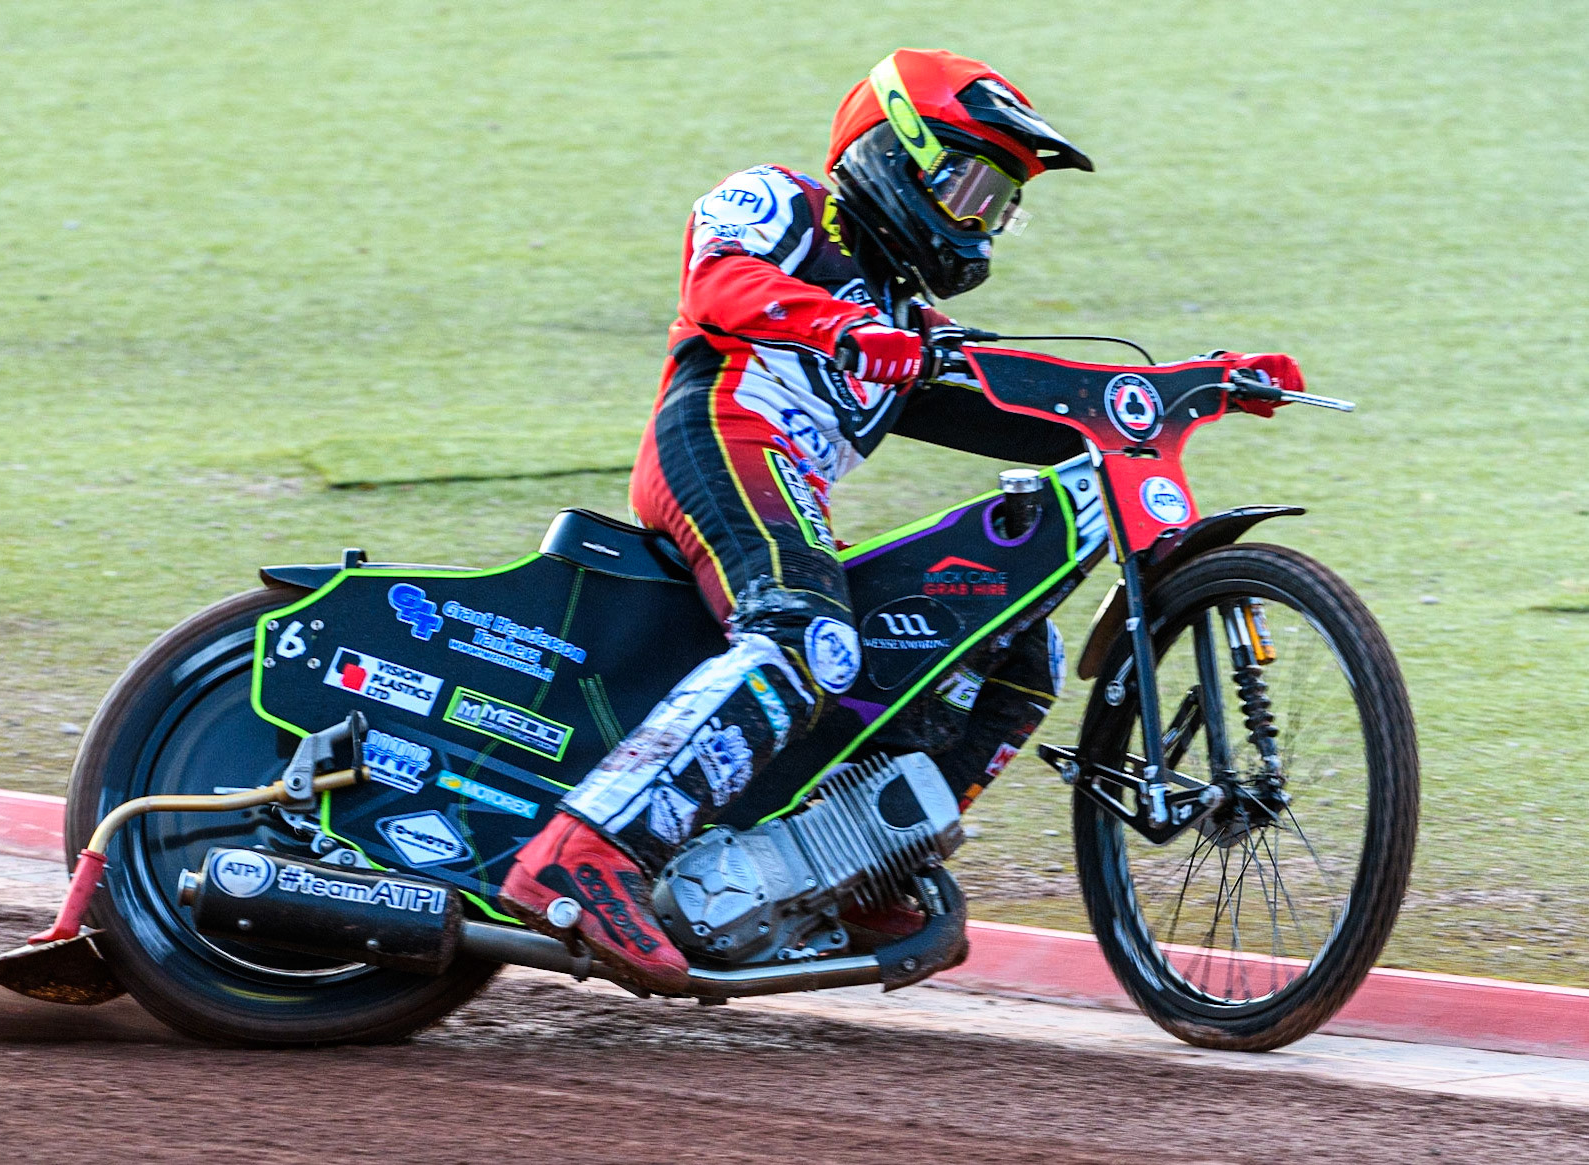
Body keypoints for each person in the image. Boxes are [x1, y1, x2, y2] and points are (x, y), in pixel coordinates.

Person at [499, 48, 1302, 992]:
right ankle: (579, 851)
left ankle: (843, 866)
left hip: (792, 481)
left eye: (999, 203)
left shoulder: (907, 321)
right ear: (892, 152)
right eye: (966, 184)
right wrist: (837, 327)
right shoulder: (781, 201)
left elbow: (1047, 409)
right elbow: (718, 285)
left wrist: (1200, 381)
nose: (979, 219)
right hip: (718, 435)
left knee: (1016, 647)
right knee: (809, 638)